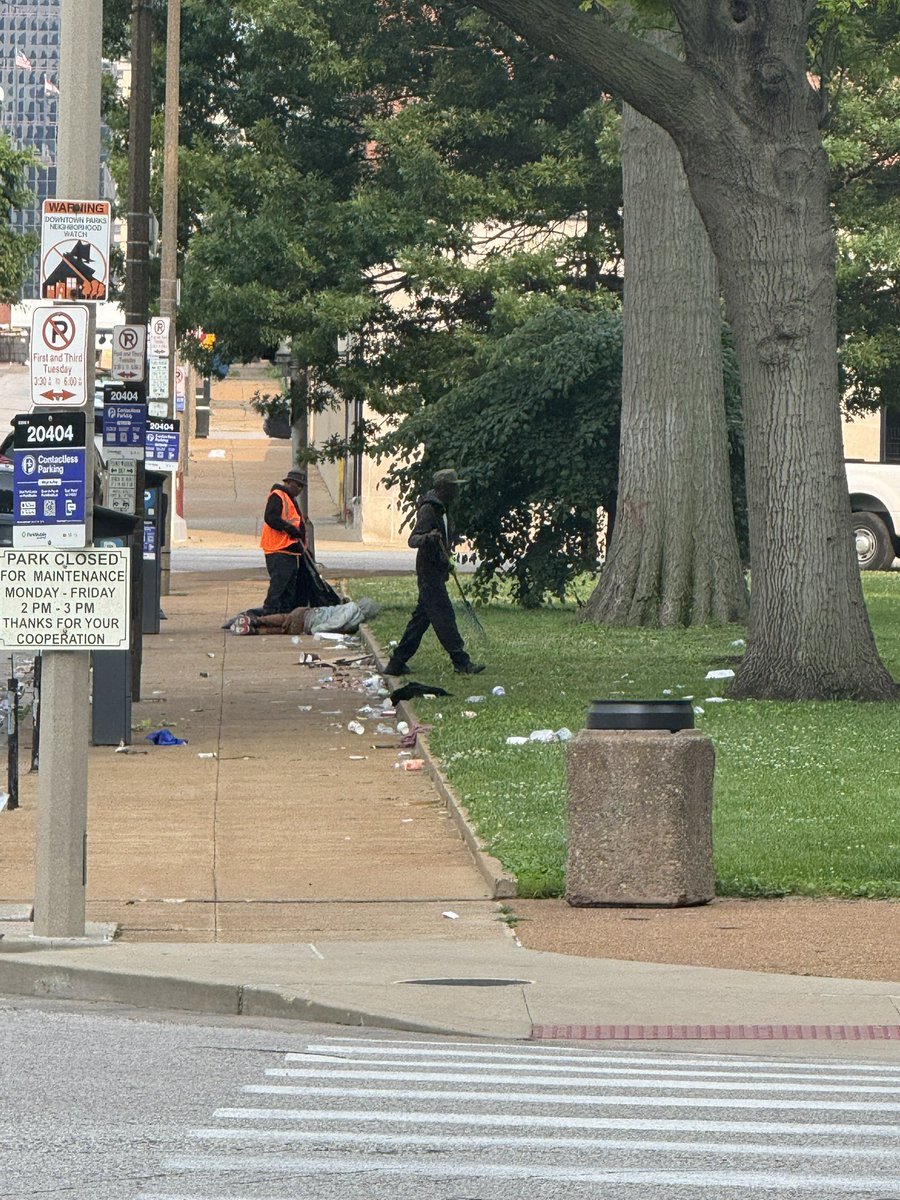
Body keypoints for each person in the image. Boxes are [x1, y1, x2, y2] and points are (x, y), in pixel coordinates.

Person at [385, 468, 485, 676]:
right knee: (444, 616)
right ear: (442, 487)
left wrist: (447, 559)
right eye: (453, 487)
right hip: (428, 574)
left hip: (436, 571)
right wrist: (429, 537)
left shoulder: (443, 509)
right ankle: (461, 661)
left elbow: (444, 541)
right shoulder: (429, 509)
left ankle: (396, 663)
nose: (456, 491)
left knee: (420, 620)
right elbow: (413, 540)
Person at [260, 469, 307, 613]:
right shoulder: (278, 495)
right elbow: (270, 517)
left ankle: (284, 615)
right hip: (278, 549)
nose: (299, 489)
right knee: (279, 586)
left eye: (302, 486)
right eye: (297, 485)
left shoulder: (290, 499)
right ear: (288, 482)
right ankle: (269, 613)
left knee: (289, 589)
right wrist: (288, 528)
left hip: (289, 550)